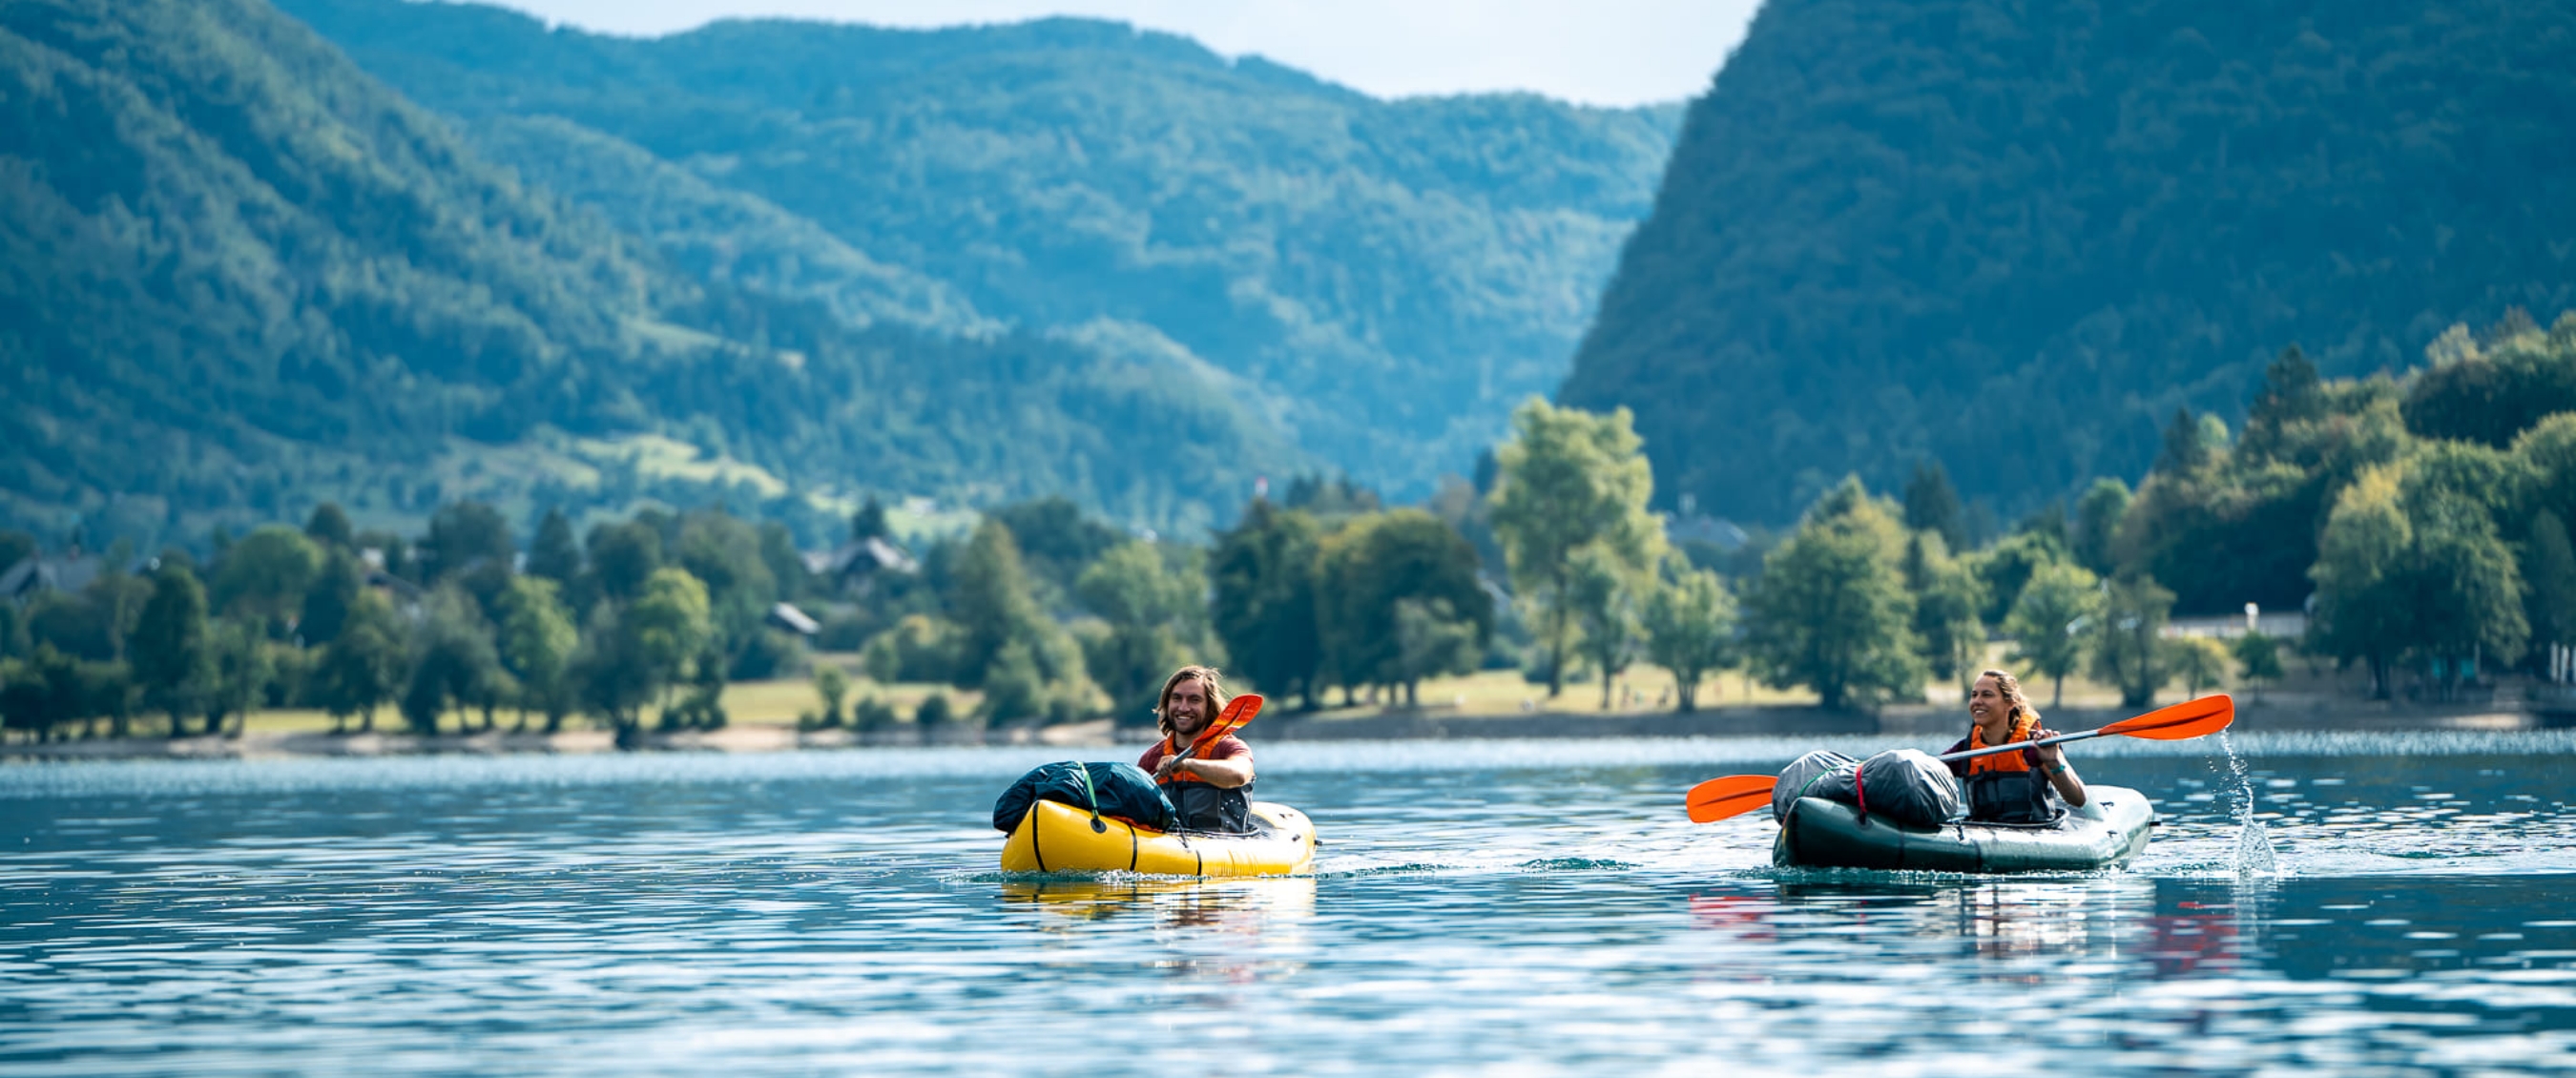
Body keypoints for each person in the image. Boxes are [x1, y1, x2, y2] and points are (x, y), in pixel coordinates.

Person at [1944, 669, 2088, 824]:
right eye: (1974, 695)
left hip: (2034, 832)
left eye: (1987, 695)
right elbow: (1930, 773)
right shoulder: (1965, 750)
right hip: (1982, 831)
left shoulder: (2035, 745)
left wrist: (2054, 762)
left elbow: (2078, 799)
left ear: (2009, 703)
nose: (1977, 701)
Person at [1134, 665, 1256, 832]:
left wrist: (1187, 765)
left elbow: (1240, 775)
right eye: (1176, 698)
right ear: (1167, 704)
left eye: (1194, 700)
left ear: (1209, 706)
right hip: (1169, 843)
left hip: (1225, 841)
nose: (1183, 707)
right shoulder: (1151, 758)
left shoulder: (1229, 747)